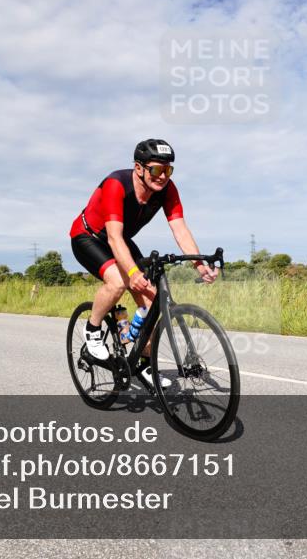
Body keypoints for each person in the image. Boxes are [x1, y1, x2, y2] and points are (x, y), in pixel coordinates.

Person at [69, 139, 218, 389]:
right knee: (118, 281)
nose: (162, 177)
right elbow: (114, 237)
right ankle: (93, 330)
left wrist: (199, 264)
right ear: (139, 168)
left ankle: (144, 364)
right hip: (89, 237)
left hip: (120, 239)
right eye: (157, 170)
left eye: (168, 170)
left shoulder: (168, 190)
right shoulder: (117, 184)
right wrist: (132, 272)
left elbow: (180, 229)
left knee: (152, 300)